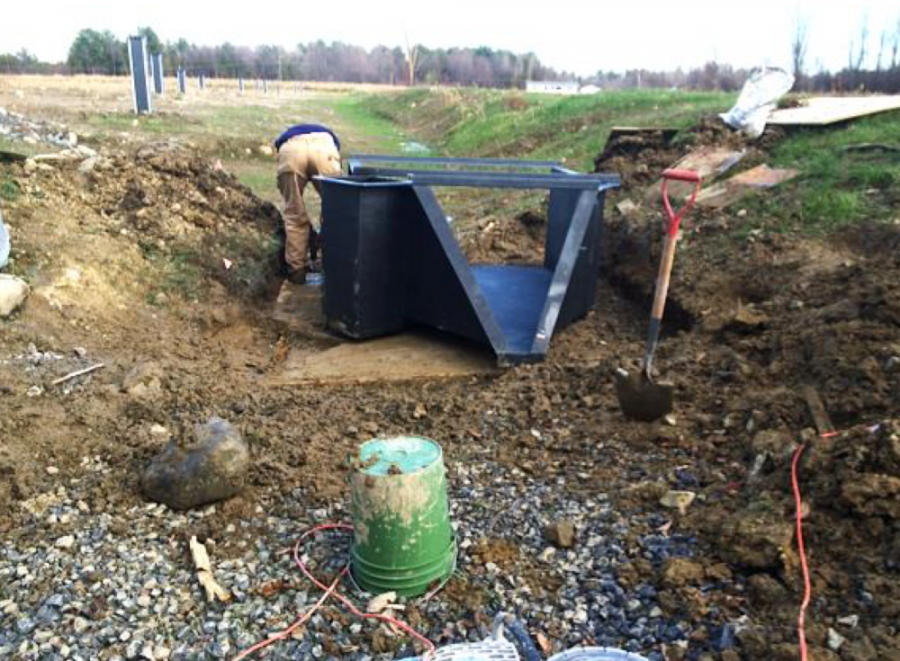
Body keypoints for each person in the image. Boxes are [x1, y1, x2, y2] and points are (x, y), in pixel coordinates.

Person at [274, 123, 342, 283]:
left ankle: (297, 271)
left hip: (290, 150)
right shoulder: (329, 138)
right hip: (324, 150)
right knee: (337, 211)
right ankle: (335, 269)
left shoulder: (289, 137)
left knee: (294, 214)